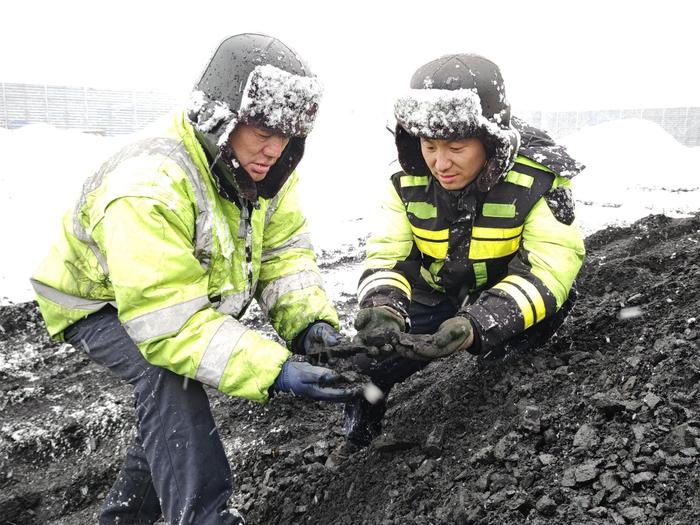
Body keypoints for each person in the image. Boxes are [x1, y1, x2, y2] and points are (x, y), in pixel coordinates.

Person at [31, 33, 361, 525]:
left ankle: (122, 519)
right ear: (219, 117)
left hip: (171, 298)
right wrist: (277, 369)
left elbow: (282, 252)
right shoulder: (147, 186)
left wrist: (309, 325)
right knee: (167, 376)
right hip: (95, 299)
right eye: (261, 130)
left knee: (166, 410)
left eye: (288, 134)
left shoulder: (265, 169)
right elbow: (171, 326)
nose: (274, 148)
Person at [332, 53, 586, 461]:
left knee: (506, 362)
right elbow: (387, 253)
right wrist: (383, 307)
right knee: (367, 362)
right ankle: (358, 441)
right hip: (437, 294)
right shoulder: (406, 180)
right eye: (429, 146)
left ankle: (494, 407)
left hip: (508, 297)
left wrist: (477, 325)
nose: (440, 163)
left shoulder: (540, 178)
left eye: (456, 147)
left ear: (491, 141)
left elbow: (552, 265)